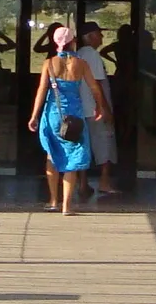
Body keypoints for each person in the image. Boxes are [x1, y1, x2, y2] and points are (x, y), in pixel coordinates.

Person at [28, 23, 108, 213]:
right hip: (75, 115)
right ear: (72, 41)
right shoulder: (81, 64)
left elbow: (41, 90)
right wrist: (99, 106)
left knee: (51, 155)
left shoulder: (49, 63)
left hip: (53, 114)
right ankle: (67, 205)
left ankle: (53, 200)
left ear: (54, 41)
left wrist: (34, 115)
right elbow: (95, 88)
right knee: (73, 157)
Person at [76, 22, 122, 196]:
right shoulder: (92, 55)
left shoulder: (79, 54)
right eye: (98, 34)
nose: (102, 37)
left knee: (84, 145)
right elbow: (97, 84)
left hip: (83, 108)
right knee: (104, 143)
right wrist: (105, 108)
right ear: (90, 37)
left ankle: (83, 182)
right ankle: (104, 181)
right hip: (95, 109)